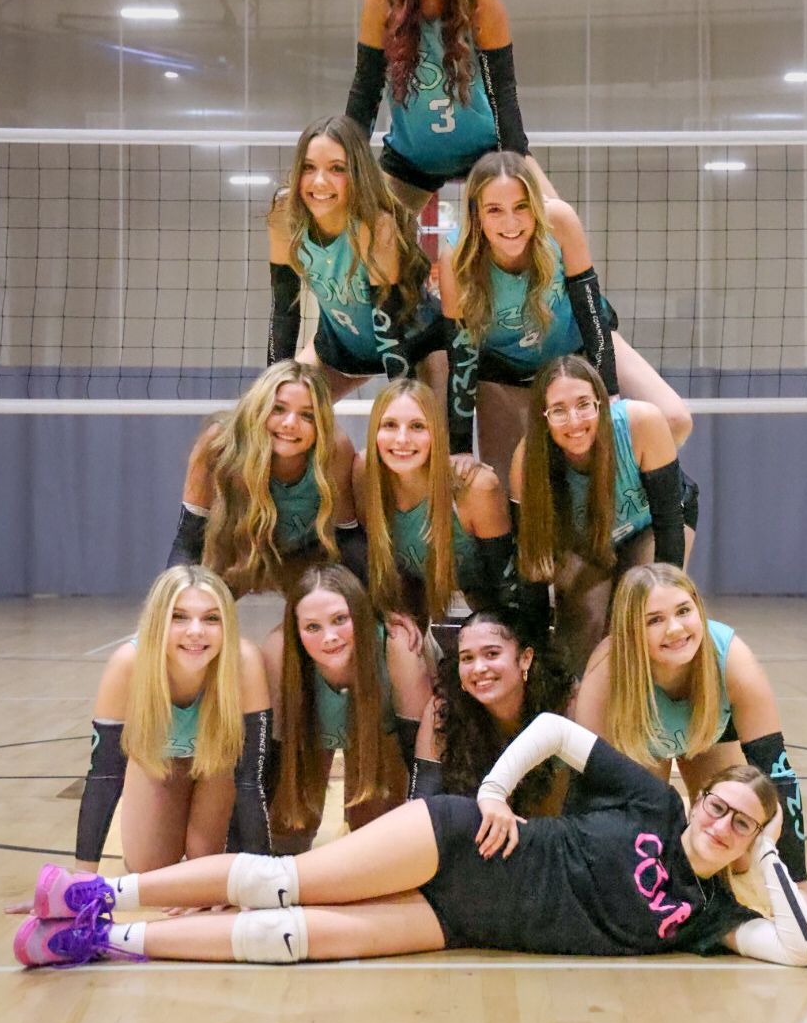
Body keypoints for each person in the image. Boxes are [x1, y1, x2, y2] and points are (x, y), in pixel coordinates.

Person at [12, 714, 807, 969]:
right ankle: (97, 891)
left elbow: (798, 950)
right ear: (697, 797)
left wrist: (772, 852)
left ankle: (104, 939)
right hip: (462, 844)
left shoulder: (712, 916)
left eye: (737, 825)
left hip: (458, 923)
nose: (715, 823)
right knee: (282, 881)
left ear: (751, 847)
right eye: (715, 805)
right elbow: (552, 731)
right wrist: (497, 793)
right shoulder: (651, 800)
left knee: (285, 941)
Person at [439, 151, 692, 485]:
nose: (510, 222)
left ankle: (620, 504)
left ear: (536, 206)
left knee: (674, 419)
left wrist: (610, 395)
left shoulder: (559, 222)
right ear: (476, 214)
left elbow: (590, 312)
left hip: (577, 347)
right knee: (501, 487)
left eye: (521, 207)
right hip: (504, 371)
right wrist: (459, 445)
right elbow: (462, 355)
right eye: (494, 210)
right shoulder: (455, 258)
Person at [575, 563, 807, 907]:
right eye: (654, 620)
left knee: (738, 856)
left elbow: (778, 775)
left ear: (698, 611)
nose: (675, 629)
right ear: (631, 630)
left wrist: (798, 888)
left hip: (708, 736)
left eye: (684, 611)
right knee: (643, 847)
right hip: (644, 748)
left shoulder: (732, 658)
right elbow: (588, 776)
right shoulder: (609, 666)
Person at [345, 0, 554, 219]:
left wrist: (515, 171)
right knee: (359, 230)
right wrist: (345, 164)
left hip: (485, 154)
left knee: (557, 220)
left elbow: (504, 97)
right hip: (410, 159)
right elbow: (366, 89)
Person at [70, 565, 272, 874]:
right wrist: (80, 881)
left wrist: (260, 878)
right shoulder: (129, 665)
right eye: (178, 617)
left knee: (205, 862)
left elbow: (251, 779)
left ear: (227, 625)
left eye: (211, 618)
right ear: (156, 623)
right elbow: (104, 776)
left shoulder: (243, 662)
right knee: (147, 866)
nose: (195, 631)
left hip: (217, 762)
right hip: (159, 762)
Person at [511, 355, 693, 671]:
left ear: (601, 403)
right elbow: (533, 569)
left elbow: (669, 522)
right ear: (543, 417)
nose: (574, 420)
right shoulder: (528, 461)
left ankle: (650, 701)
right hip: (586, 541)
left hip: (649, 526)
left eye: (584, 404)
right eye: (558, 410)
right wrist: (536, 647)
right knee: (584, 627)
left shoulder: (642, 423)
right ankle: (576, 705)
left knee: (642, 611)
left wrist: (665, 601)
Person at [260, 565, 432, 853]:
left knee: (377, 841)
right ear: (296, 629)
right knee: (287, 825)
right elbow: (268, 761)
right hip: (306, 740)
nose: (329, 637)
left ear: (361, 615)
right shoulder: (279, 649)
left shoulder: (397, 646)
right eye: (312, 627)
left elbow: (421, 762)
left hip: (383, 737)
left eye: (340, 619)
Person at [265, 114, 444, 392]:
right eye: (309, 168)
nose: (320, 182)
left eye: (337, 168)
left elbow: (390, 328)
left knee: (418, 425)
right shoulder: (285, 217)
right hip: (341, 349)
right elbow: (284, 311)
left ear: (357, 173)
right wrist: (274, 386)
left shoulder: (375, 225)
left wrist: (402, 400)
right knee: (272, 409)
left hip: (415, 344)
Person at [167, 360, 361, 595]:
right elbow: (188, 540)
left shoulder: (334, 449)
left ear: (320, 423)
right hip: (240, 547)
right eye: (278, 409)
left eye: (307, 415)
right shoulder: (219, 443)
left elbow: (349, 539)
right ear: (259, 409)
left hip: (306, 555)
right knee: (194, 608)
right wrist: (172, 604)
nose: (290, 423)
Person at [355, 377, 517, 628]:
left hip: (493, 600)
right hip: (415, 593)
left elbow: (509, 590)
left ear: (437, 434)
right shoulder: (364, 474)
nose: (402, 439)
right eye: (389, 425)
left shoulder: (474, 487)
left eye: (417, 426)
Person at [409, 607, 576, 813]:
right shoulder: (444, 710)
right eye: (467, 658)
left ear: (525, 658)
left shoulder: (560, 705)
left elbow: (558, 814)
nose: (478, 668)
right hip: (469, 833)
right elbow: (420, 802)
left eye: (492, 654)